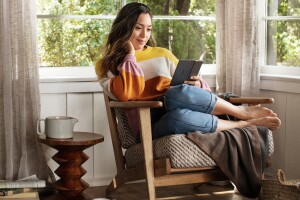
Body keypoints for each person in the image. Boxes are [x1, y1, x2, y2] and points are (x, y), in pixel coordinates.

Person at [95, 2, 281, 139]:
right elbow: (125, 95)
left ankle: (241, 113)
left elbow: (199, 90)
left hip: (178, 102)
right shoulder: (106, 65)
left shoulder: (162, 54)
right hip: (149, 123)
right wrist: (129, 56)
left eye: (149, 29)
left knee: (176, 94)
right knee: (177, 118)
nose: (145, 35)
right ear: (125, 27)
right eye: (138, 28)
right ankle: (244, 123)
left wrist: (197, 83)